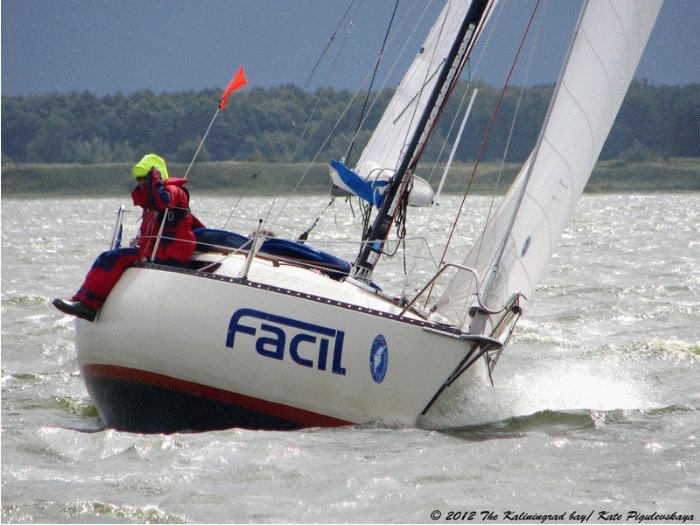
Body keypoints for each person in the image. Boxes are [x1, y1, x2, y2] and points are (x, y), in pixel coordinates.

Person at [53, 154, 204, 321]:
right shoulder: (151, 196)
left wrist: (155, 181)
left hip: (170, 252)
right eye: (138, 179)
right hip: (154, 249)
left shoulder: (175, 191)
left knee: (115, 258)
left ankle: (89, 306)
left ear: (155, 175)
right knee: (106, 257)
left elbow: (163, 202)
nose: (139, 182)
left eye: (142, 177)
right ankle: (81, 300)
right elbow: (144, 199)